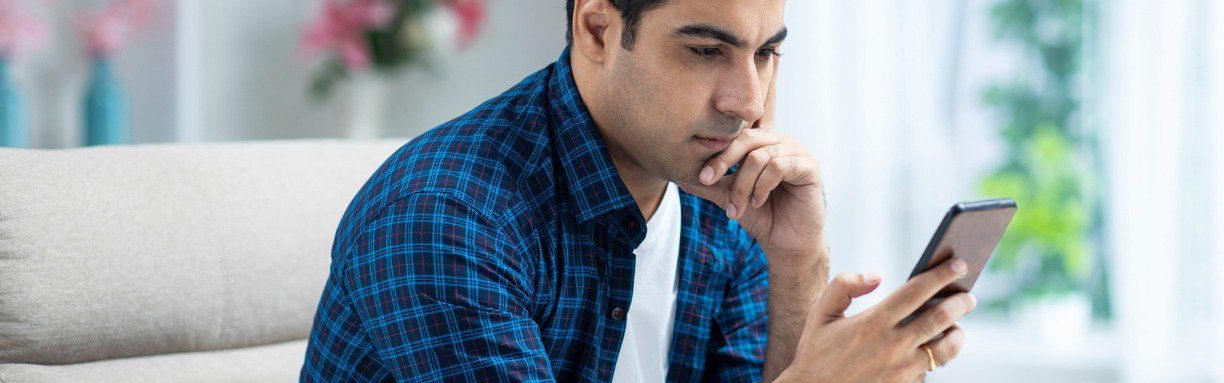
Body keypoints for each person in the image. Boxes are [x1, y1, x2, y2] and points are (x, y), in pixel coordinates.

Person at [300, 0, 976, 381]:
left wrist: (798, 263)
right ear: (597, 29)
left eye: (766, 53)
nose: (747, 101)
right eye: (705, 51)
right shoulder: (446, 215)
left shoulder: (721, 198)